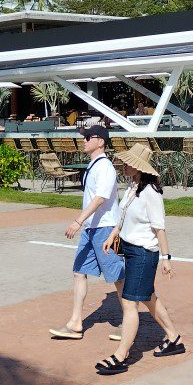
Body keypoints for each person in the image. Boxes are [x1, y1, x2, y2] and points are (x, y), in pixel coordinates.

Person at [95, 143, 183, 376]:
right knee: (148, 297)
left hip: (145, 253)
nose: (123, 165)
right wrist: (113, 234)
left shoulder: (151, 194)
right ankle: (173, 338)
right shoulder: (134, 187)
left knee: (129, 303)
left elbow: (159, 228)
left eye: (128, 163)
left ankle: (120, 356)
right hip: (132, 251)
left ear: (138, 167)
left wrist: (166, 258)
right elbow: (123, 215)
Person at [49, 125, 125, 340]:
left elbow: (100, 197)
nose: (83, 141)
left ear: (100, 141)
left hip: (105, 229)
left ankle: (129, 321)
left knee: (118, 276)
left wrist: (78, 220)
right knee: (79, 272)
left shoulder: (105, 167)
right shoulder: (94, 165)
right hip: (91, 229)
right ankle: (75, 324)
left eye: (88, 138)